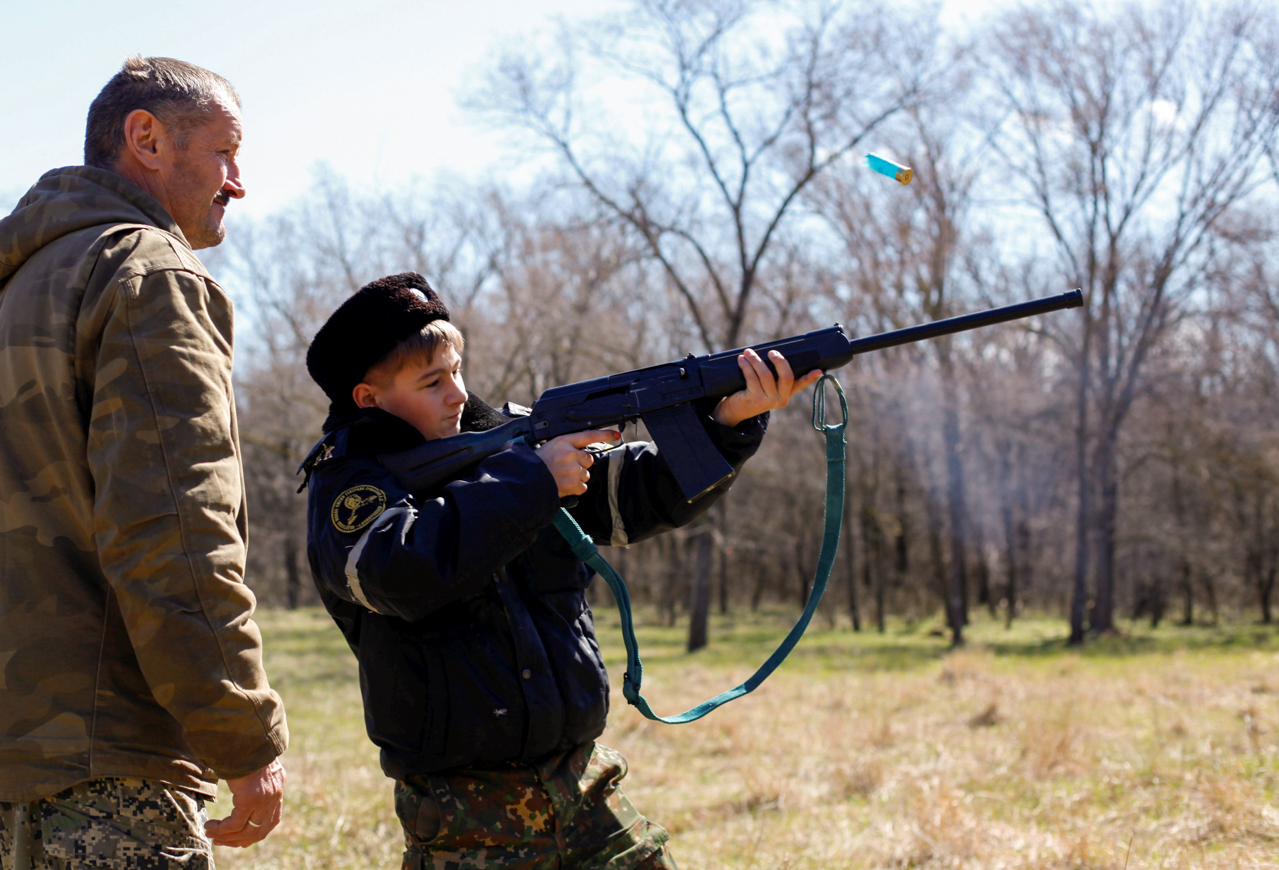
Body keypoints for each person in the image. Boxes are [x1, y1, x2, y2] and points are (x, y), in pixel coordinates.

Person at [301, 272, 821, 869]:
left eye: (457, 370)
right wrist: (535, 482)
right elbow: (401, 570)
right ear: (368, 398)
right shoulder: (350, 487)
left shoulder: (510, 445)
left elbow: (637, 495)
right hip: (468, 814)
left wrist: (727, 425)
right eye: (432, 381)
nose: (458, 394)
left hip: (584, 783)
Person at [0, 57, 288, 869]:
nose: (238, 183)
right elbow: (172, 530)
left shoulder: (17, 287)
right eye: (226, 153)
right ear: (147, 138)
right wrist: (240, 734)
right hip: (109, 757)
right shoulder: (146, 276)